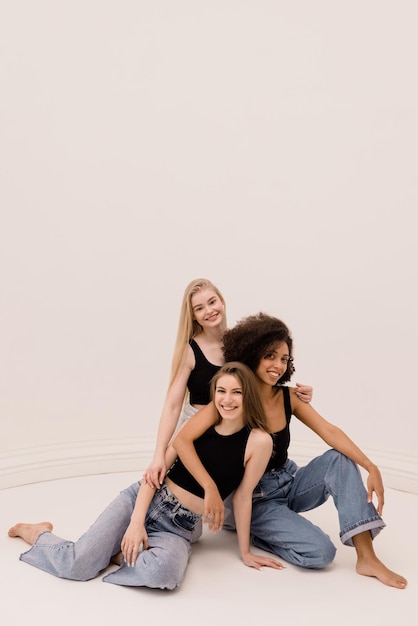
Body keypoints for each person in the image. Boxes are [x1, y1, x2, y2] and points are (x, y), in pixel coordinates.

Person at [173, 313, 408, 589]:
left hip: (290, 480)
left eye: (284, 359)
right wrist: (208, 486)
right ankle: (257, 532)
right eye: (270, 356)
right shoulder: (231, 399)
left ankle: (367, 557)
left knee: (339, 459)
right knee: (321, 553)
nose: (278, 365)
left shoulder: (289, 397)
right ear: (252, 354)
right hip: (257, 499)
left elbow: (329, 431)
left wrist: (371, 466)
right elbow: (182, 439)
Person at [8, 362, 284, 589]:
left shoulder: (259, 441)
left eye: (236, 392)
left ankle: (114, 553)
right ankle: (38, 533)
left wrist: (245, 552)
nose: (227, 399)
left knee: (164, 574)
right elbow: (154, 475)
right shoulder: (204, 419)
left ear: (248, 394)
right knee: (78, 566)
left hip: (180, 526)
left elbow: (244, 496)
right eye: (221, 391)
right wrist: (136, 522)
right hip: (146, 500)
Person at [144, 278, 313, 489]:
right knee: (164, 485)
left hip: (232, 425)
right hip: (195, 426)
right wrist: (158, 454)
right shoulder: (190, 350)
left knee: (230, 501)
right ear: (194, 316)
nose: (209, 311)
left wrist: (295, 393)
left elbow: (266, 373)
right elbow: (172, 406)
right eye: (199, 308)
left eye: (212, 302)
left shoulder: (241, 342)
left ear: (222, 302)